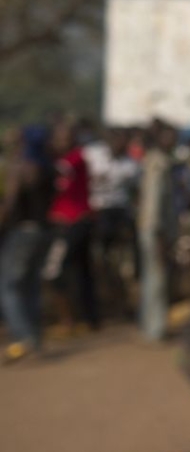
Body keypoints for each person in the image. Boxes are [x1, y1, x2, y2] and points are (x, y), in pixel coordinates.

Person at [0, 126, 56, 362]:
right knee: (31, 288)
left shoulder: (22, 168)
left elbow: (9, 205)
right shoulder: (48, 166)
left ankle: (24, 340)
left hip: (22, 233)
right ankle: (35, 341)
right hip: (43, 232)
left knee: (9, 288)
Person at [45, 119, 99, 333]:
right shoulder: (74, 159)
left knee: (54, 272)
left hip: (73, 222)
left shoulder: (72, 160)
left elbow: (59, 181)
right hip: (80, 220)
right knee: (82, 271)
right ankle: (90, 317)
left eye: (63, 138)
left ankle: (69, 321)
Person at [86, 128, 141, 318]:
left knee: (123, 267)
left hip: (119, 215)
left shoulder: (131, 165)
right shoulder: (91, 155)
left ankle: (125, 306)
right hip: (95, 214)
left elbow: (136, 193)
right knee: (97, 262)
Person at [137, 121, 180, 341]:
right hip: (156, 231)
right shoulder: (158, 164)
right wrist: (158, 234)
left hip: (152, 230)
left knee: (151, 278)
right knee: (158, 279)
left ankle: (149, 325)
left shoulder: (158, 161)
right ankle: (155, 329)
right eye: (170, 136)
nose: (173, 140)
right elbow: (153, 204)